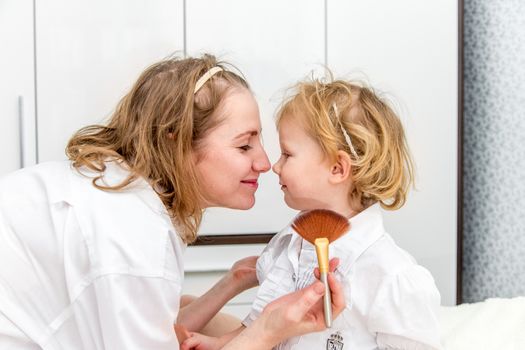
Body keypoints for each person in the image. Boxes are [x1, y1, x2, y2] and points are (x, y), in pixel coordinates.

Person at [0, 54, 345, 349]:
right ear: (176, 141)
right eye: (244, 146)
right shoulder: (131, 234)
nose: (264, 162)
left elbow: (152, 329)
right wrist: (267, 331)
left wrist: (234, 281)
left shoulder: (119, 194)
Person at [182, 76, 442, 350]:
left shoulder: (391, 276)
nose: (274, 166)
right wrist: (219, 344)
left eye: (287, 154)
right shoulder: (289, 244)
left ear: (337, 169)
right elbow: (260, 325)